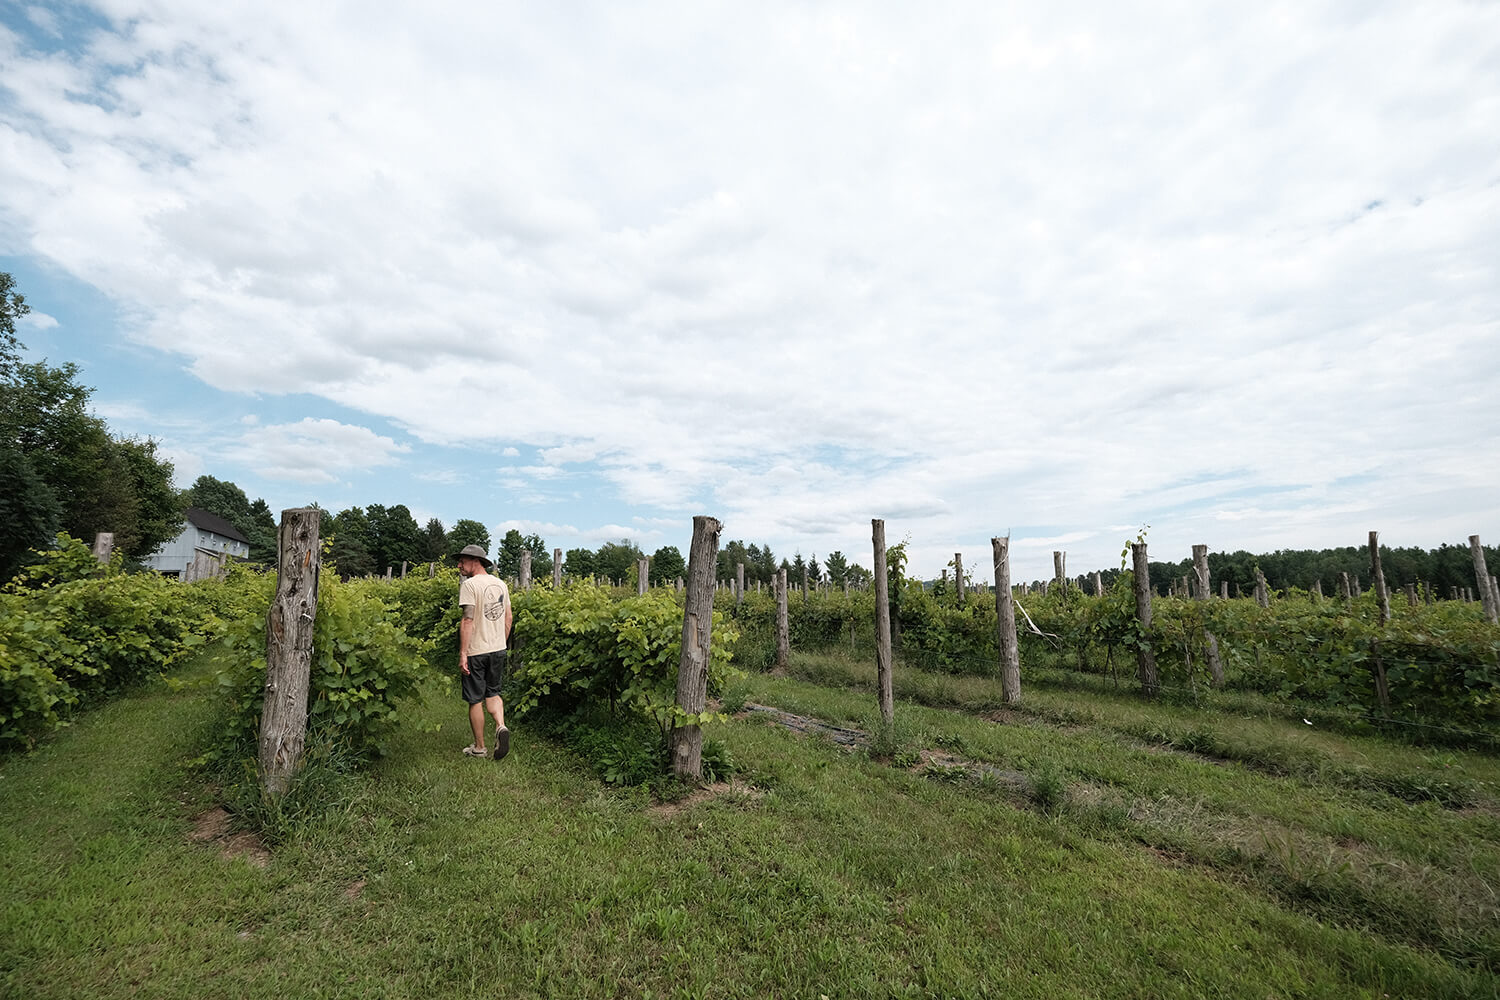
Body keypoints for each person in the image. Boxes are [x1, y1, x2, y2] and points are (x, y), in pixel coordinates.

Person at [455, 543, 513, 760]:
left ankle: (479, 747)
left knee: (475, 699)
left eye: (462, 561)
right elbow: (508, 618)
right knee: (494, 693)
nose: (459, 565)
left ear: (475, 562)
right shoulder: (501, 585)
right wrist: (500, 641)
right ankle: (500, 726)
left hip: (476, 651)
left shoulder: (470, 585)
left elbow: (468, 619)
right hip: (498, 649)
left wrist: (463, 653)